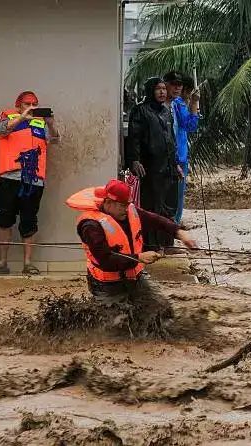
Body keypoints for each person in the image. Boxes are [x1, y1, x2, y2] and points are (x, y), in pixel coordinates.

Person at [67, 179, 197, 334]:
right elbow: (106, 260)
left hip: (135, 278)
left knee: (163, 311)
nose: (126, 209)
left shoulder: (130, 211)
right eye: (122, 205)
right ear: (108, 203)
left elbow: (156, 220)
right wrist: (139, 257)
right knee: (119, 328)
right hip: (106, 285)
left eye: (127, 204)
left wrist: (180, 233)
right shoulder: (91, 226)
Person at [0, 91, 60, 275]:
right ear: (18, 105)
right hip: (10, 178)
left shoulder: (40, 123)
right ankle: (2, 263)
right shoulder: (8, 117)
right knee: (5, 220)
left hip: (33, 180)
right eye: (27, 104)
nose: (32, 106)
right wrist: (22, 117)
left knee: (29, 221)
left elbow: (55, 139)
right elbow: (1, 131)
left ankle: (28, 264)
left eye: (35, 103)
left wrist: (51, 124)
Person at [125, 77, 179, 251]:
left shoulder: (166, 112)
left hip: (168, 166)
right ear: (150, 91)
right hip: (150, 166)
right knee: (152, 206)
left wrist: (176, 163)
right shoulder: (140, 111)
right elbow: (134, 138)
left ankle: (166, 242)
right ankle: (151, 245)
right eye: (158, 89)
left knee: (169, 205)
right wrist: (134, 159)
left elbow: (171, 139)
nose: (162, 92)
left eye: (164, 88)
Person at [163, 71, 201, 224]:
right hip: (171, 157)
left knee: (177, 196)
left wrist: (193, 104)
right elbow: (190, 125)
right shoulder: (173, 104)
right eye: (174, 84)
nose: (178, 89)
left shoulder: (177, 104)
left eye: (180, 85)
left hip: (179, 156)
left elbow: (190, 125)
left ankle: (173, 226)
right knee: (170, 197)